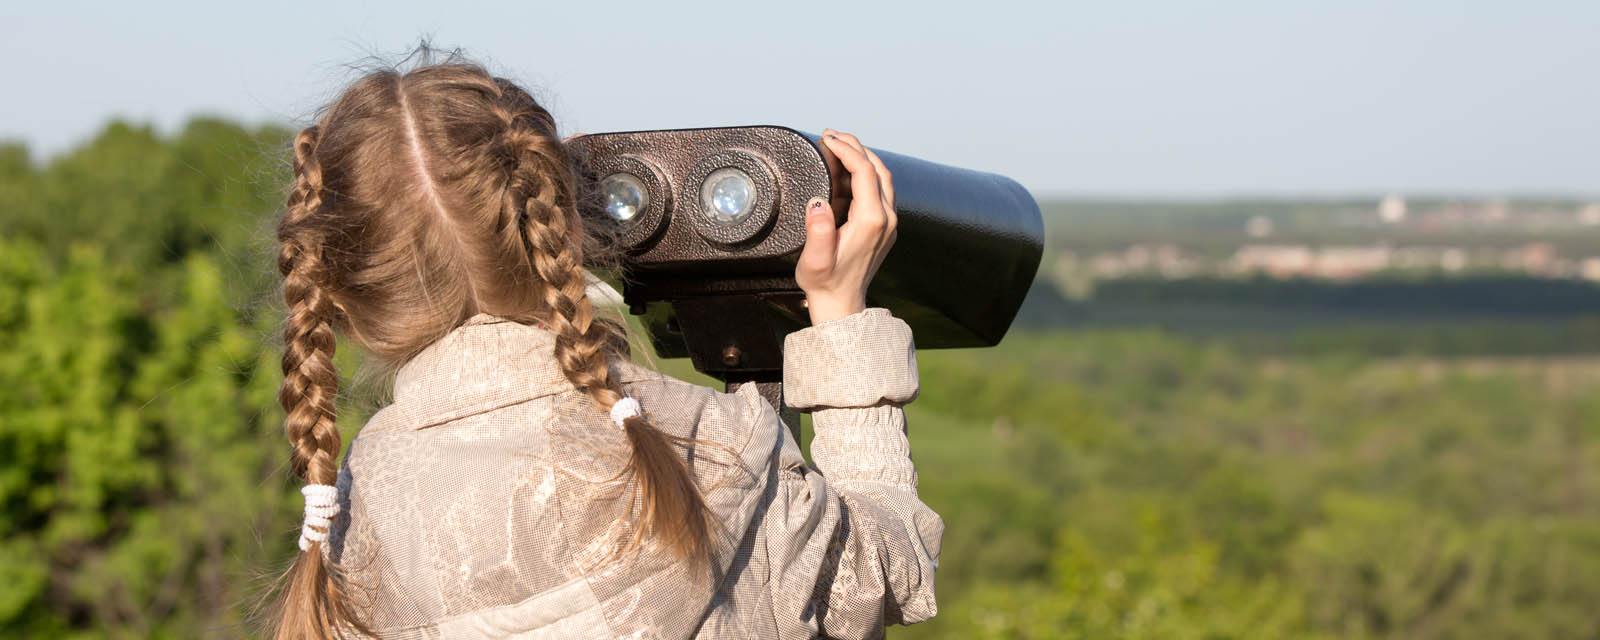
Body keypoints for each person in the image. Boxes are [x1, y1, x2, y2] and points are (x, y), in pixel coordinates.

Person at [268, 51, 940, 639]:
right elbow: (883, 572)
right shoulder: (704, 446)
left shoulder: (357, 510)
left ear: (342, 297)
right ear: (567, 230)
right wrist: (841, 318)